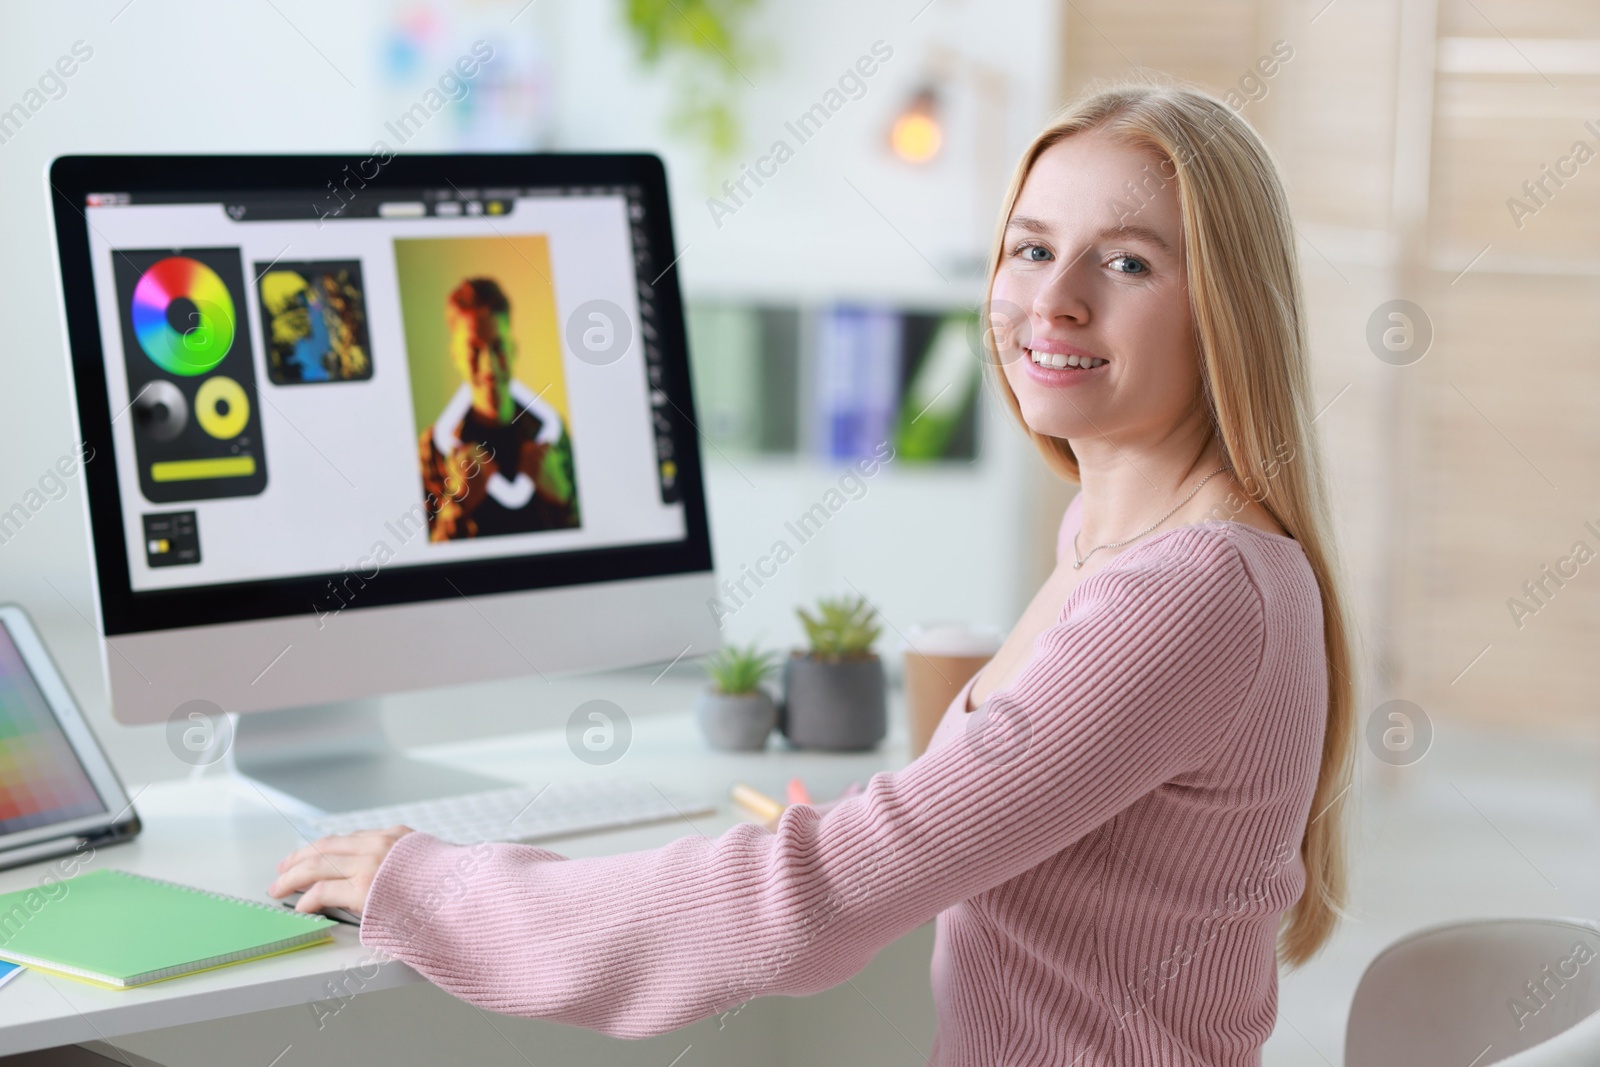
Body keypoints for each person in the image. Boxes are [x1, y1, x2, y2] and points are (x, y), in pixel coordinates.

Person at [270, 83, 1354, 1065]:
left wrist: (442, 885)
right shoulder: (1113, 532)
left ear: (1226, 307)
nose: (1054, 299)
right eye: (1029, 248)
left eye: (1126, 262)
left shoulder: (1189, 592)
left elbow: (814, 899)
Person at [418, 277, 578, 540]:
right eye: (473, 349)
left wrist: (561, 496)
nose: (489, 366)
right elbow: (424, 566)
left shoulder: (549, 434)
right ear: (455, 355)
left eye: (497, 346)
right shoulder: (434, 448)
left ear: (513, 350)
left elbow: (594, 538)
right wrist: (459, 502)